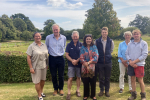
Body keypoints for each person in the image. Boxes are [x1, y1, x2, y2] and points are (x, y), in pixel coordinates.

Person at [126, 29, 148, 100]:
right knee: (132, 79)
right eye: (134, 34)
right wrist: (130, 61)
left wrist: (134, 62)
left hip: (139, 65)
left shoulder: (144, 43)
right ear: (133, 35)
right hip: (131, 64)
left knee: (140, 80)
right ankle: (133, 95)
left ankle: (143, 96)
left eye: (137, 34)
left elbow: (144, 55)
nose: (136, 35)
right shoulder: (130, 44)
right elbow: (127, 53)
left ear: (140, 34)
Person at [45, 24, 66, 96]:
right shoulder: (48, 37)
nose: (55, 31)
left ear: (59, 30)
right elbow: (46, 47)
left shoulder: (64, 38)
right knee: (53, 75)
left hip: (60, 58)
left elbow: (64, 46)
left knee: (61, 75)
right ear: (52, 30)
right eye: (54, 30)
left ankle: (61, 89)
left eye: (56, 29)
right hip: (52, 58)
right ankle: (55, 89)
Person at [26, 32, 48, 100]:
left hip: (44, 66)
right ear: (34, 37)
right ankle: (39, 96)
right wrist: (31, 68)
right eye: (36, 36)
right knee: (37, 82)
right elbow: (28, 57)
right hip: (36, 67)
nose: (38, 37)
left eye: (39, 36)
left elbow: (46, 56)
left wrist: (47, 65)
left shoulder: (44, 45)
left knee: (43, 80)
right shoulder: (31, 46)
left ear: (41, 37)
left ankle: (41, 92)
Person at [95, 27, 114, 97]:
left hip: (108, 62)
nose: (104, 33)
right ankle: (101, 90)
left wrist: (107, 56)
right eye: (103, 32)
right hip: (100, 62)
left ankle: (107, 91)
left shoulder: (111, 41)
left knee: (107, 78)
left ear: (107, 33)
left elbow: (111, 50)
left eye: (105, 32)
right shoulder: (97, 41)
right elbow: (95, 50)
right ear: (101, 33)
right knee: (101, 78)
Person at [80, 34, 99, 100]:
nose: (88, 40)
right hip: (84, 67)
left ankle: (93, 95)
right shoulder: (82, 47)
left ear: (91, 40)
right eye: (87, 39)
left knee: (93, 81)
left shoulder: (94, 47)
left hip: (93, 67)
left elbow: (96, 57)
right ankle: (86, 95)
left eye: (89, 39)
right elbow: (81, 57)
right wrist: (86, 64)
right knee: (85, 82)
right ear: (85, 40)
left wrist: (88, 63)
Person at [65, 31, 82, 100]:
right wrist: (72, 61)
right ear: (72, 37)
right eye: (74, 36)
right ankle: (69, 93)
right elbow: (66, 55)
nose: (75, 38)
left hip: (79, 64)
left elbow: (82, 55)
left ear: (78, 37)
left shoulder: (81, 44)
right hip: (71, 64)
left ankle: (77, 91)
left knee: (78, 77)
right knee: (70, 78)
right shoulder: (69, 45)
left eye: (76, 36)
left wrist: (77, 60)